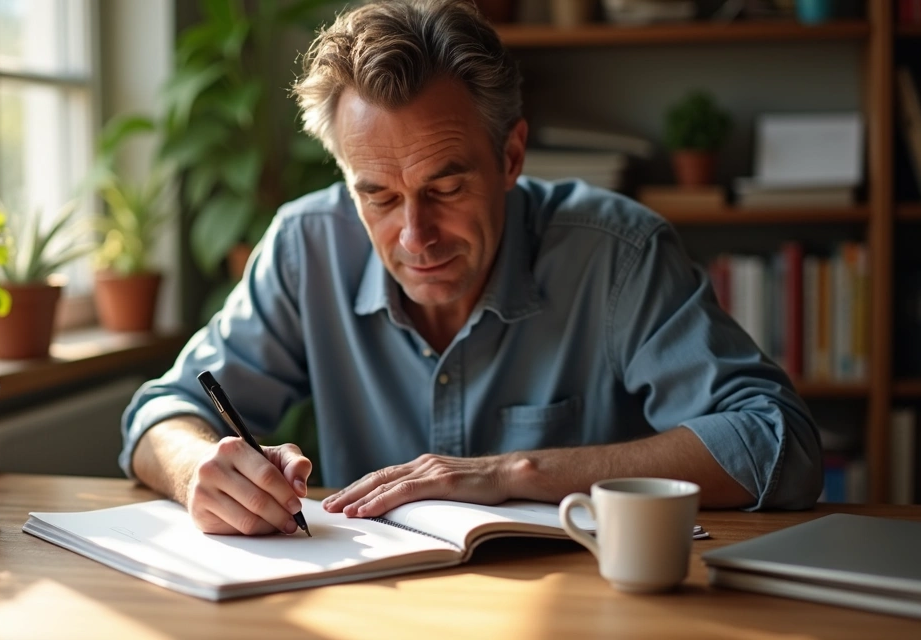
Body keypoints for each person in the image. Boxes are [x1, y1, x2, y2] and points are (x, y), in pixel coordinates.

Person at [120, 0, 822, 536]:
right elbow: (161, 413)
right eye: (379, 196)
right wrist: (198, 472)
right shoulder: (307, 245)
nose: (414, 235)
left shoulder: (616, 252)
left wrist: (517, 473)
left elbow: (777, 441)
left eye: (446, 188)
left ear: (510, 157)